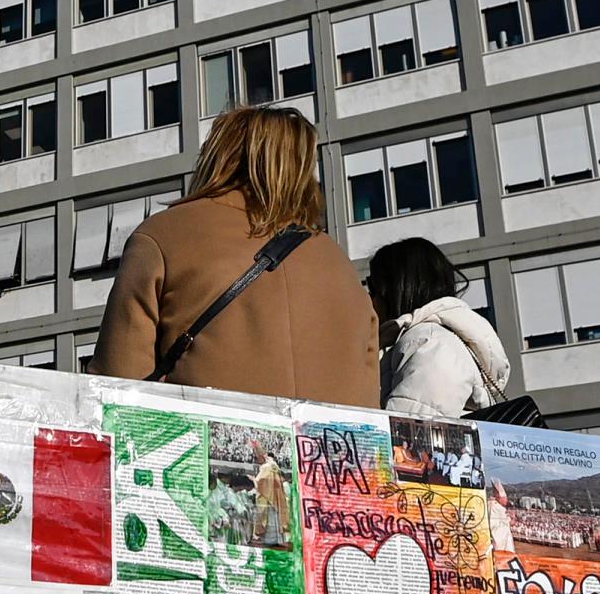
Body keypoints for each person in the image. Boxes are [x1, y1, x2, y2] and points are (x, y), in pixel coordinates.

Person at [90, 107, 377, 407]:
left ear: (216, 156)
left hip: (205, 449)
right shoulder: (338, 263)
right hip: (332, 450)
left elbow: (116, 388)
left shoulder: (162, 236)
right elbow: (368, 402)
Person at [370, 237, 511, 418]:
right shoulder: (426, 341)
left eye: (372, 285)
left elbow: (411, 438)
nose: (368, 297)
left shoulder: (430, 342)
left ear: (395, 289)